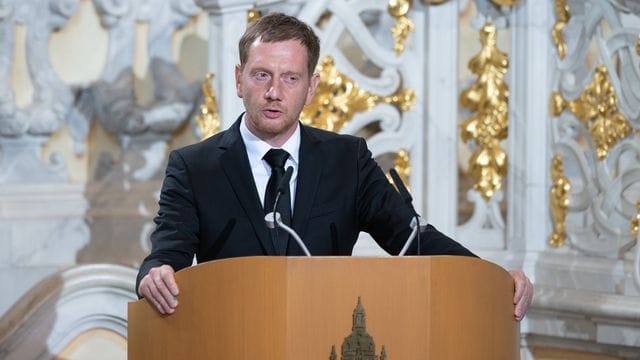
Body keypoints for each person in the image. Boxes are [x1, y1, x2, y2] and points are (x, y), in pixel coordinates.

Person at [137, 12, 533, 321]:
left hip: (324, 337)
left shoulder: (348, 160)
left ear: (312, 87)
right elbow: (166, 254)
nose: (274, 92)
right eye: (262, 75)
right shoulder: (194, 167)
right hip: (233, 340)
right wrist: (154, 275)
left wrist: (493, 280)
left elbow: (413, 240)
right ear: (239, 79)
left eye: (291, 78)